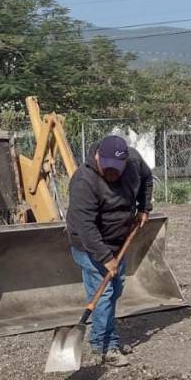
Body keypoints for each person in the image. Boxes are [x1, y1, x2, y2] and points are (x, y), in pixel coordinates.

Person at [66, 135, 153, 367]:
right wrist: (105, 258)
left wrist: (144, 207)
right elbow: (85, 227)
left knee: (114, 291)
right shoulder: (84, 181)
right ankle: (104, 346)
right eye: (108, 167)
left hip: (119, 241)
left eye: (118, 168)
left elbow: (147, 178)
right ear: (97, 157)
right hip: (89, 245)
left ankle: (106, 336)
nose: (112, 173)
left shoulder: (134, 161)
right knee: (103, 295)